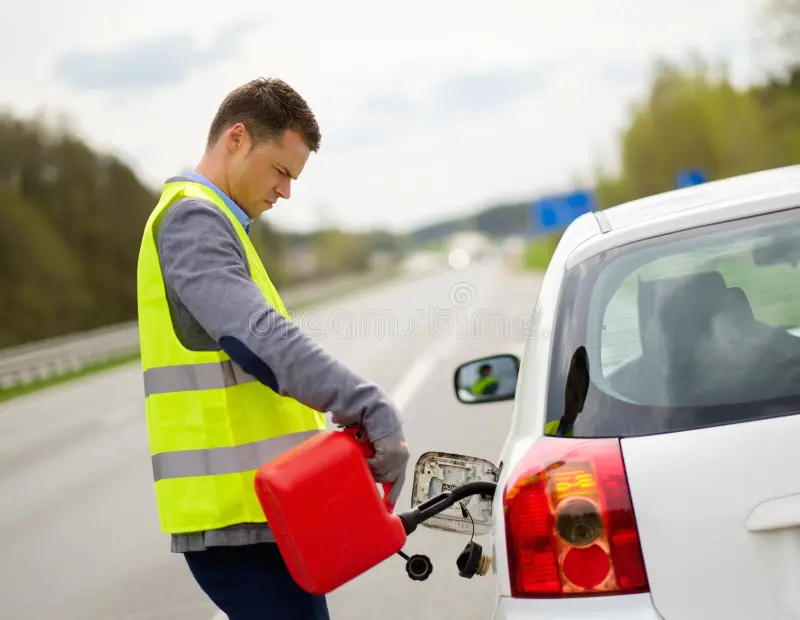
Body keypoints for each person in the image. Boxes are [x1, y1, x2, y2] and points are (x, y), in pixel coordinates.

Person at [135, 77, 410, 619]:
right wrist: (365, 401)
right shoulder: (194, 219)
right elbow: (259, 339)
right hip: (236, 523)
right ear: (236, 139)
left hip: (264, 514)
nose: (286, 192)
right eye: (281, 171)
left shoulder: (218, 223)